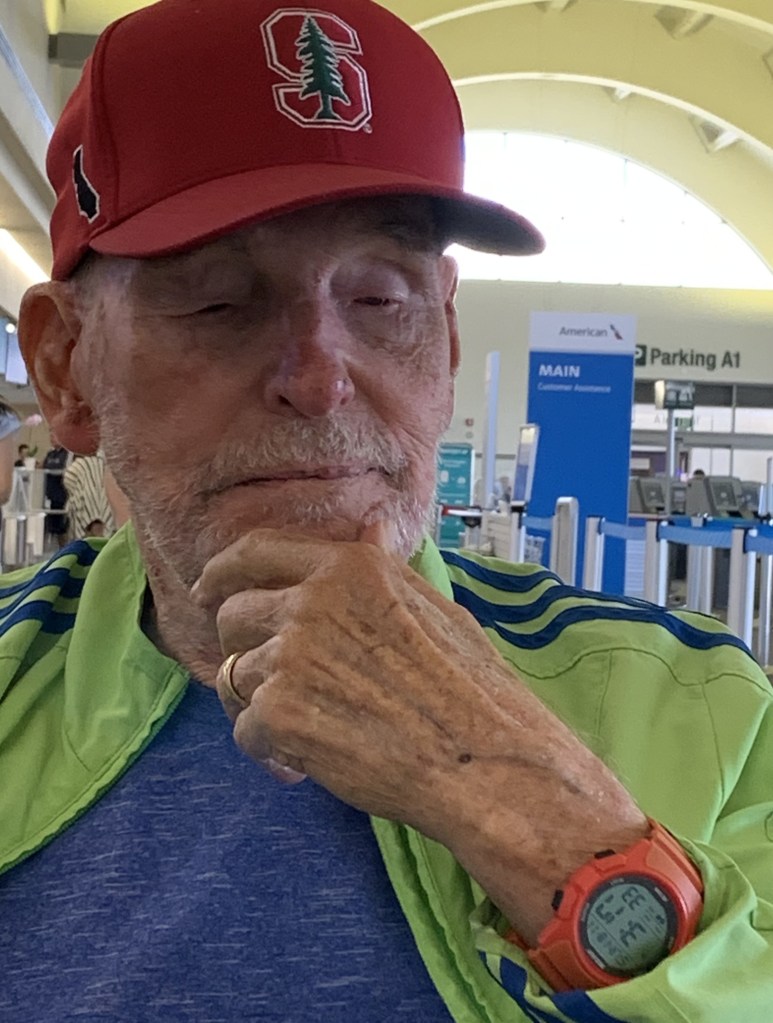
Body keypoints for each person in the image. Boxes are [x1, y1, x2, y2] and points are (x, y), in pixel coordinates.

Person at [1, 1, 771, 1021]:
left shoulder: (703, 706)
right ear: (65, 367)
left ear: (445, 341)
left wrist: (517, 800)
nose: (320, 381)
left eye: (379, 301)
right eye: (217, 301)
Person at [63, 450, 115, 540]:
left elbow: (69, 481)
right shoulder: (103, 465)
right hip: (100, 502)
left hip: (88, 503)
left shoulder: (78, 466)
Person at [41, 439, 70, 546]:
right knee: (51, 525)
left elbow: (59, 466)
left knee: (62, 527)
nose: (52, 439)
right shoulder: (50, 454)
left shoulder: (66, 454)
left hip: (61, 495)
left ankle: (65, 548)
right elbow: (44, 466)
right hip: (50, 495)